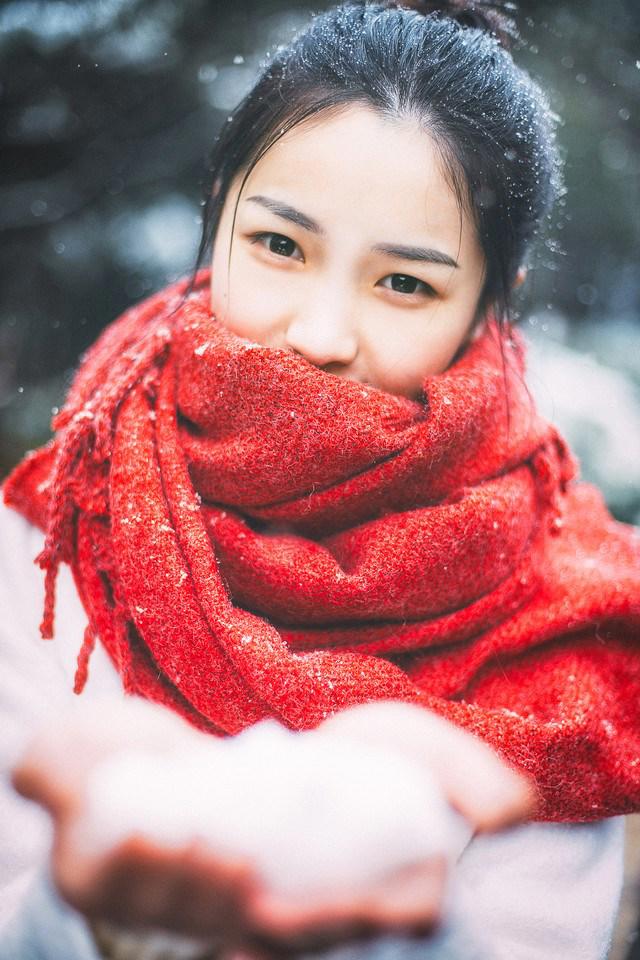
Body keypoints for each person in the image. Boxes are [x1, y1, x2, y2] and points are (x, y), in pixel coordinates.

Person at [1, 1, 639, 958]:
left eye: (405, 284)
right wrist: (91, 918)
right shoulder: (50, 543)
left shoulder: (561, 625)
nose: (319, 335)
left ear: (488, 304)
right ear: (217, 210)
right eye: (280, 245)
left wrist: (382, 918)